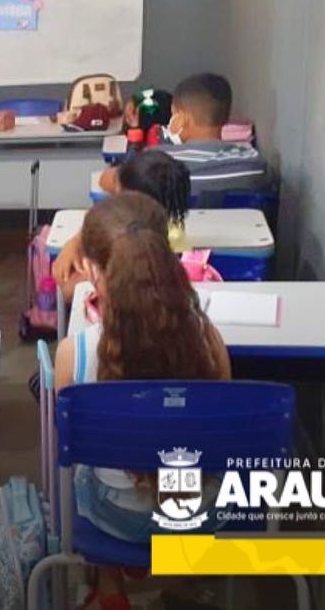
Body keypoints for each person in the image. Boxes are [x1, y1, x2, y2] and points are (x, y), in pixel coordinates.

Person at [53, 192, 231, 610]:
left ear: (92, 271)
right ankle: (188, 579)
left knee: (87, 468)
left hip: (117, 519)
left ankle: (109, 583)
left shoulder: (75, 353)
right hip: (201, 514)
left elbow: (70, 449)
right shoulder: (208, 340)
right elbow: (218, 433)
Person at [55, 150, 193, 297]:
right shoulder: (169, 223)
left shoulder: (127, 243)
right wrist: (77, 240)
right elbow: (105, 179)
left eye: (118, 194)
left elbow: (67, 289)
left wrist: (77, 244)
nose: (115, 197)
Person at [155, 73, 269, 205]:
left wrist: (169, 140)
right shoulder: (254, 164)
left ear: (182, 119)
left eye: (173, 115)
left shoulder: (156, 163)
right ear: (227, 117)